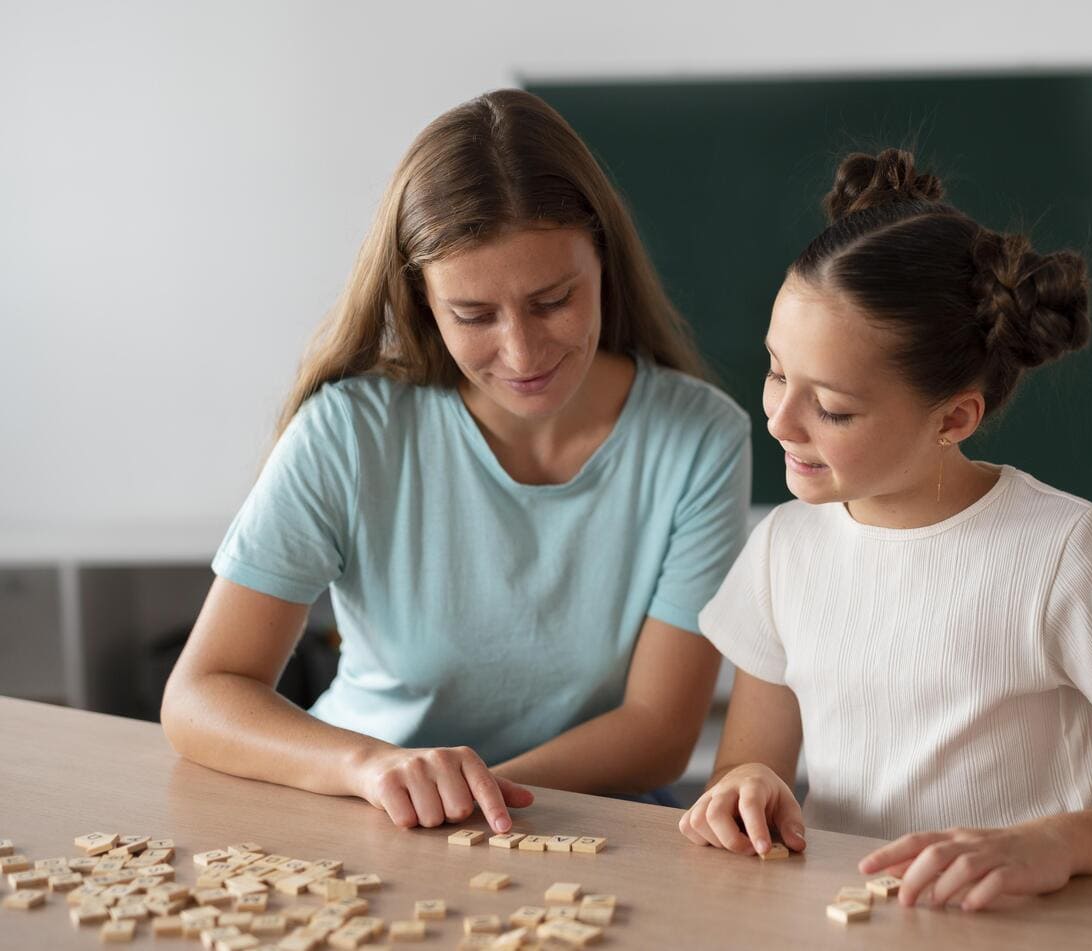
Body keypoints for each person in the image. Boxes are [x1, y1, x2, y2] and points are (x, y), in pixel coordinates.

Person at [162, 89, 751, 832]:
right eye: (474, 315)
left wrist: (464, 795)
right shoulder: (347, 431)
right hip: (367, 807)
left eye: (553, 300)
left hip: (579, 820)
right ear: (423, 300)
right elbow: (201, 693)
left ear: (602, 258)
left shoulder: (699, 437)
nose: (523, 351)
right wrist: (373, 769)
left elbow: (659, 733)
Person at [680, 148, 1092, 910]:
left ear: (954, 417)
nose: (778, 418)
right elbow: (747, 767)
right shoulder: (784, 547)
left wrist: (1058, 841)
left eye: (834, 407)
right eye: (777, 370)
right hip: (845, 922)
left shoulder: (1061, 549)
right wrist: (746, 787)